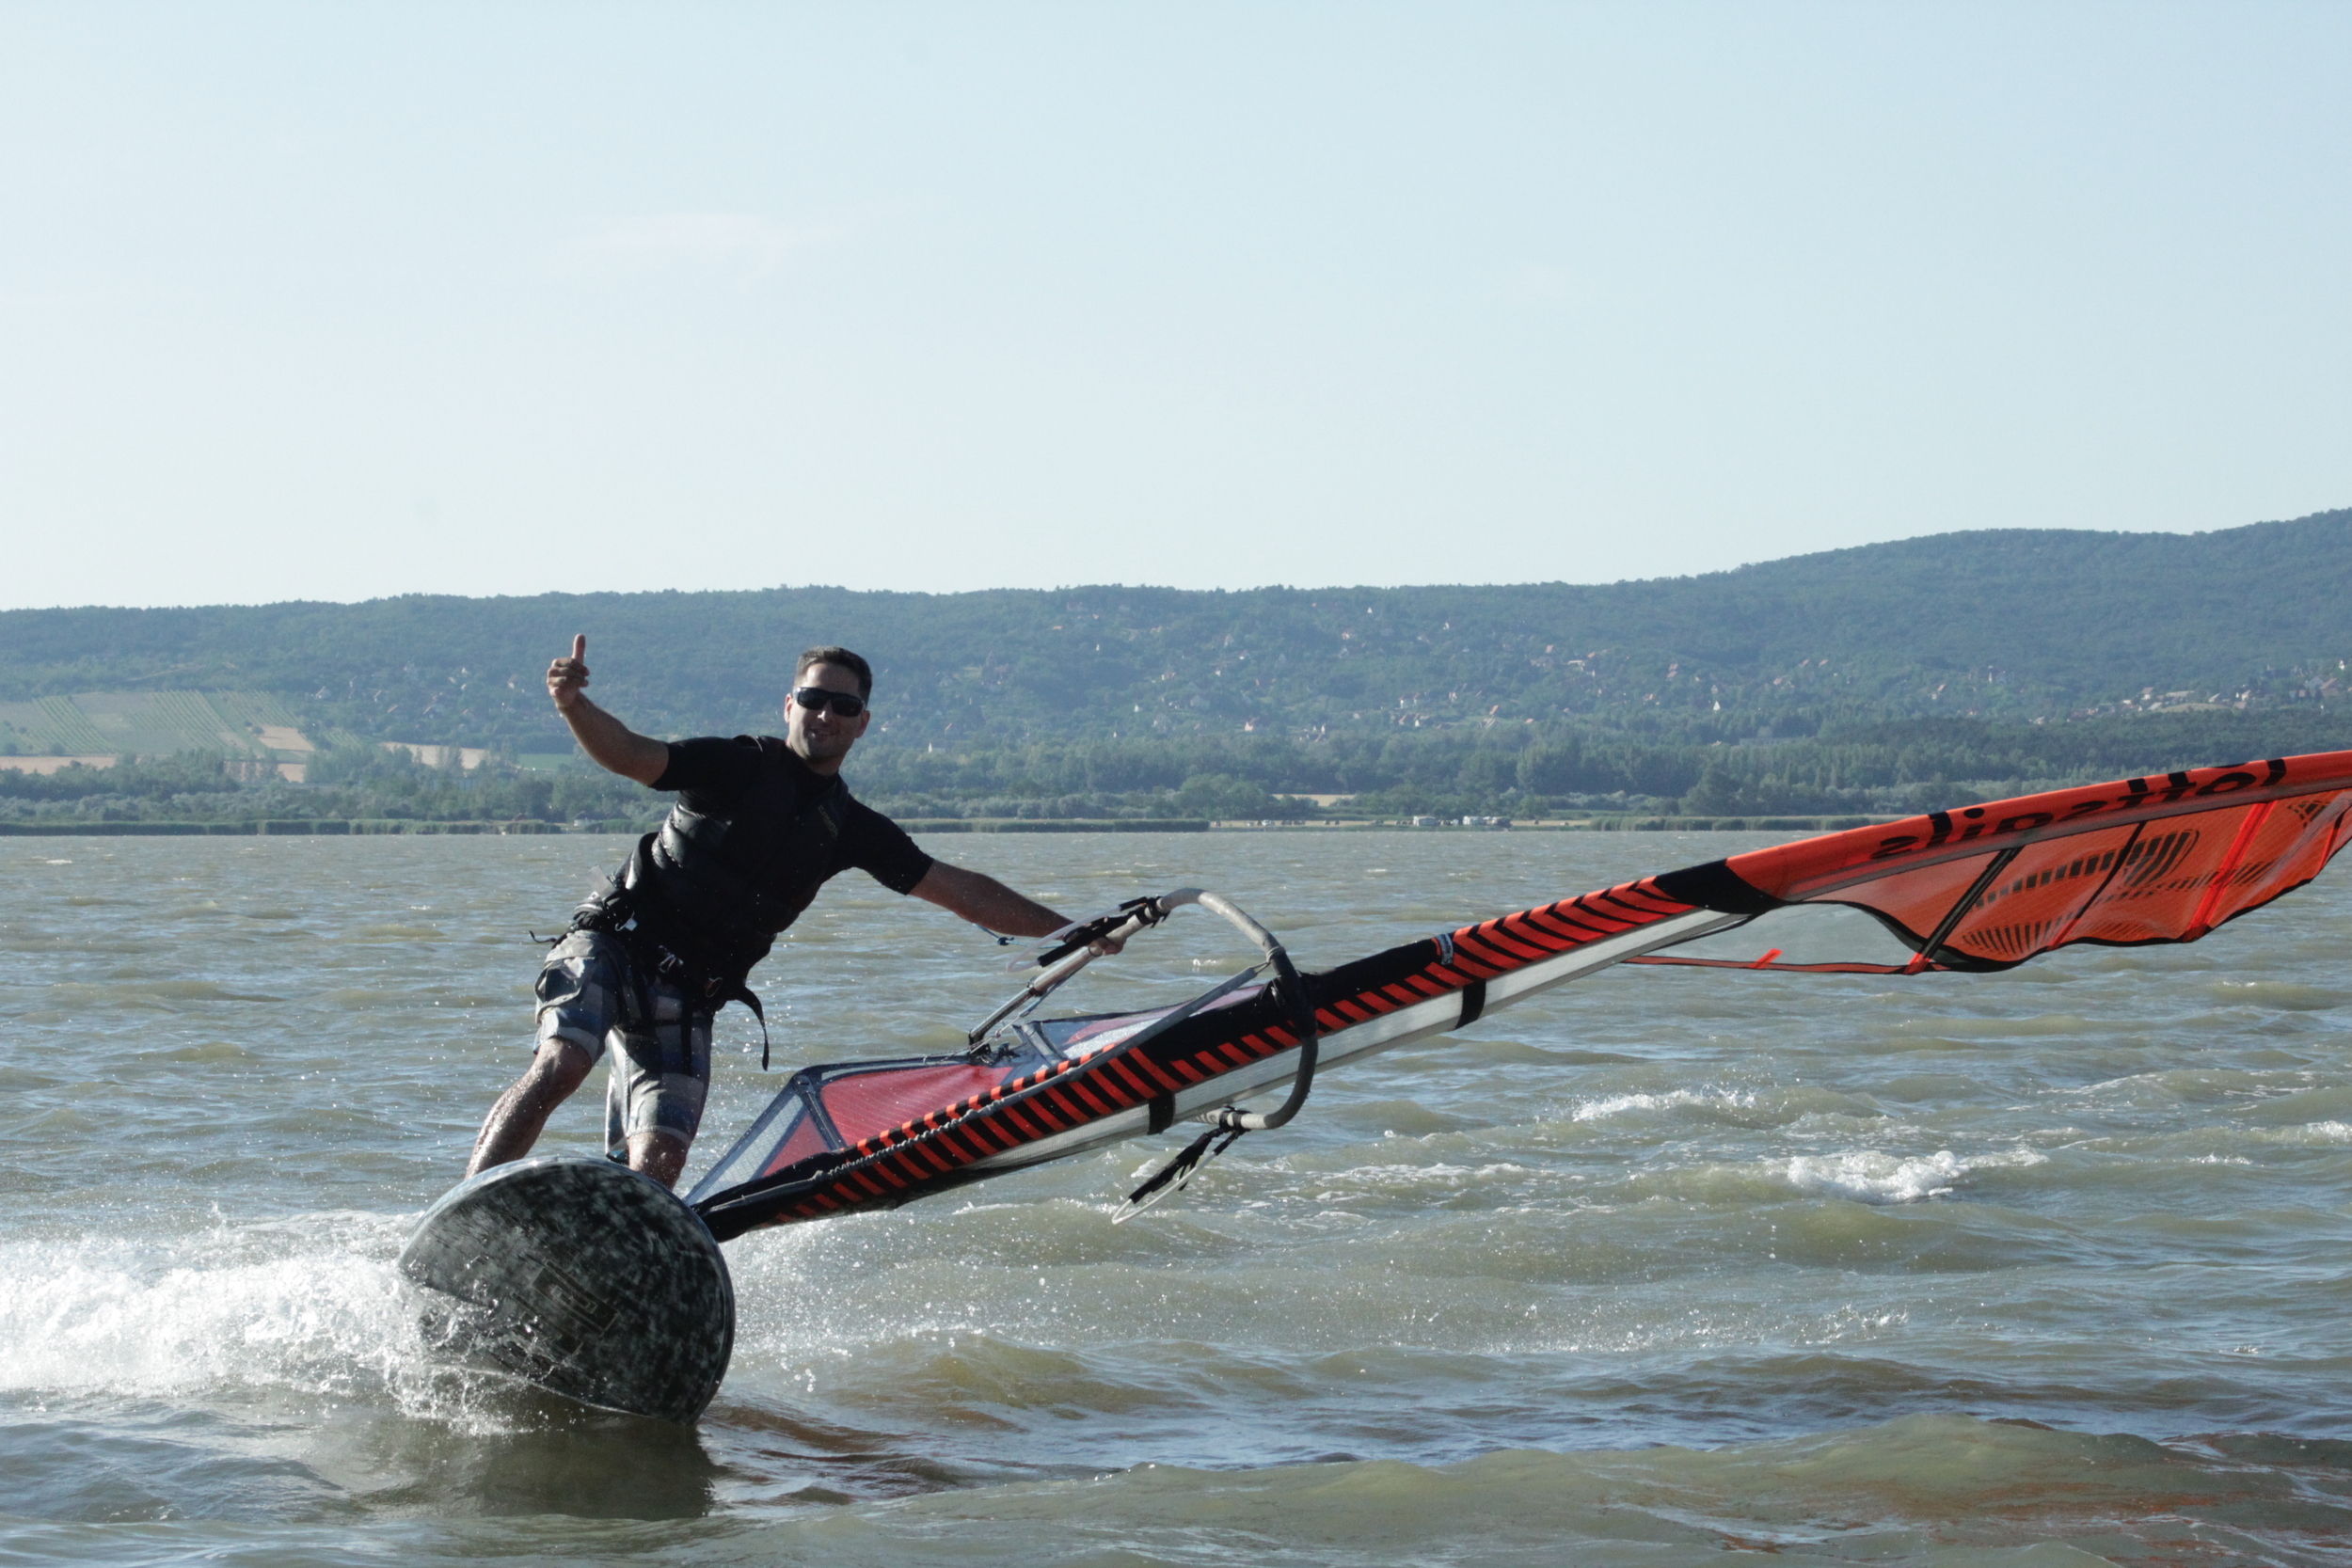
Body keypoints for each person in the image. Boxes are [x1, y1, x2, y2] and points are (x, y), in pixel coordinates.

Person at [467, 635, 1098, 1190]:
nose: (827, 713)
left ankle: (610, 1256)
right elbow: (632, 754)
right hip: (613, 944)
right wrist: (574, 706)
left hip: (687, 999)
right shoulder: (736, 764)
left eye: (843, 706)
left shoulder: (851, 828)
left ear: (862, 723)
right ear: (789, 704)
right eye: (815, 698)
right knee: (563, 1063)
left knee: (659, 1156)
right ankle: (462, 1208)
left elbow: (959, 889)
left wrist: (1073, 930)